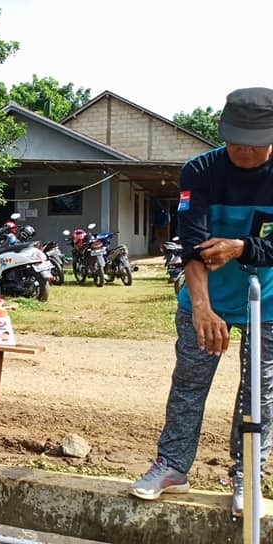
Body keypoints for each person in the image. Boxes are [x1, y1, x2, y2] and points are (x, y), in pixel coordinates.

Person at [129, 87, 273, 516]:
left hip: (267, 299)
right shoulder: (201, 170)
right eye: (236, 139)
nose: (245, 149)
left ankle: (248, 476)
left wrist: (240, 247)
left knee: (258, 392)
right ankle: (172, 466)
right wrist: (202, 309)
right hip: (206, 295)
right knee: (189, 384)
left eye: (255, 140)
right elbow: (191, 245)